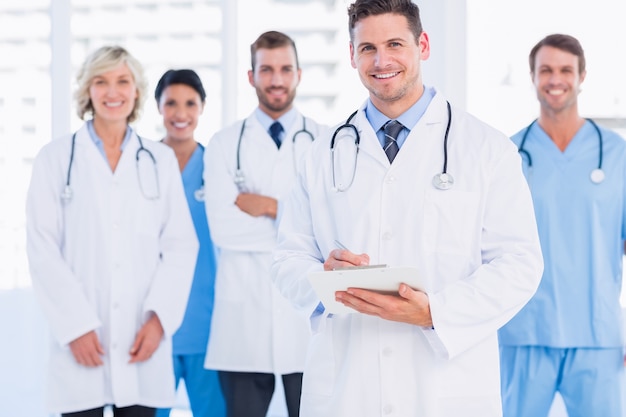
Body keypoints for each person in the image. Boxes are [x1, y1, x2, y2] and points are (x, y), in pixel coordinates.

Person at [270, 1, 544, 416]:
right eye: (367, 48)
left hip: (444, 385)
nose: (382, 61)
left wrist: (436, 312)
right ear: (351, 55)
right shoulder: (321, 154)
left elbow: (520, 263)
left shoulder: (486, 149)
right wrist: (322, 279)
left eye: (395, 43)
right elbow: (287, 258)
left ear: (423, 45)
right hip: (347, 387)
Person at [25, 46, 198, 417]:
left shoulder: (159, 160)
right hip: (79, 343)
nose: (112, 91)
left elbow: (181, 246)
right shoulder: (56, 159)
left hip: (142, 339)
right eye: (101, 81)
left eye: (122, 81)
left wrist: (159, 320)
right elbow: (42, 249)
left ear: (136, 91)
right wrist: (74, 326)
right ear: (88, 90)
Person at [498, 33, 626, 417]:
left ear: (582, 75)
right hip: (525, 332)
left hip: (596, 332)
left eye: (566, 70)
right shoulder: (509, 154)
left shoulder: (616, 153)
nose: (556, 79)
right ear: (533, 76)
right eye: (547, 70)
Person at [203, 30, 328, 417]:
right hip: (242, 325)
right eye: (267, 70)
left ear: (299, 74)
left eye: (285, 69)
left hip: (307, 319)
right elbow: (223, 229)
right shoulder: (224, 144)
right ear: (251, 76)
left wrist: (270, 207)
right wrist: (296, 219)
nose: (276, 79)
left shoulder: (328, 142)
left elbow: (329, 232)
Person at [154, 69, 226, 417]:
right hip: (153, 324)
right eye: (171, 103)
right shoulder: (143, 164)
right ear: (157, 107)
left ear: (202, 108)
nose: (180, 114)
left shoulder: (217, 165)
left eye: (189, 103)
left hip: (207, 322)